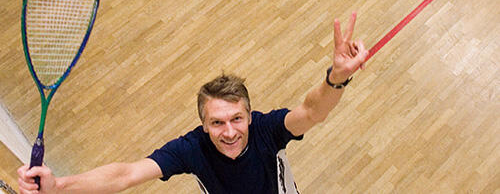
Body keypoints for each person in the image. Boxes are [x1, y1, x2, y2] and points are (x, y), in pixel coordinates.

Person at [18, 12, 368, 193]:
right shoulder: (191, 149)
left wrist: (336, 78)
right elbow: (126, 175)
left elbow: (313, 111)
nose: (229, 131)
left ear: (250, 116)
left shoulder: (268, 129)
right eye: (217, 122)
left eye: (236, 119)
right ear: (203, 125)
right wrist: (59, 187)